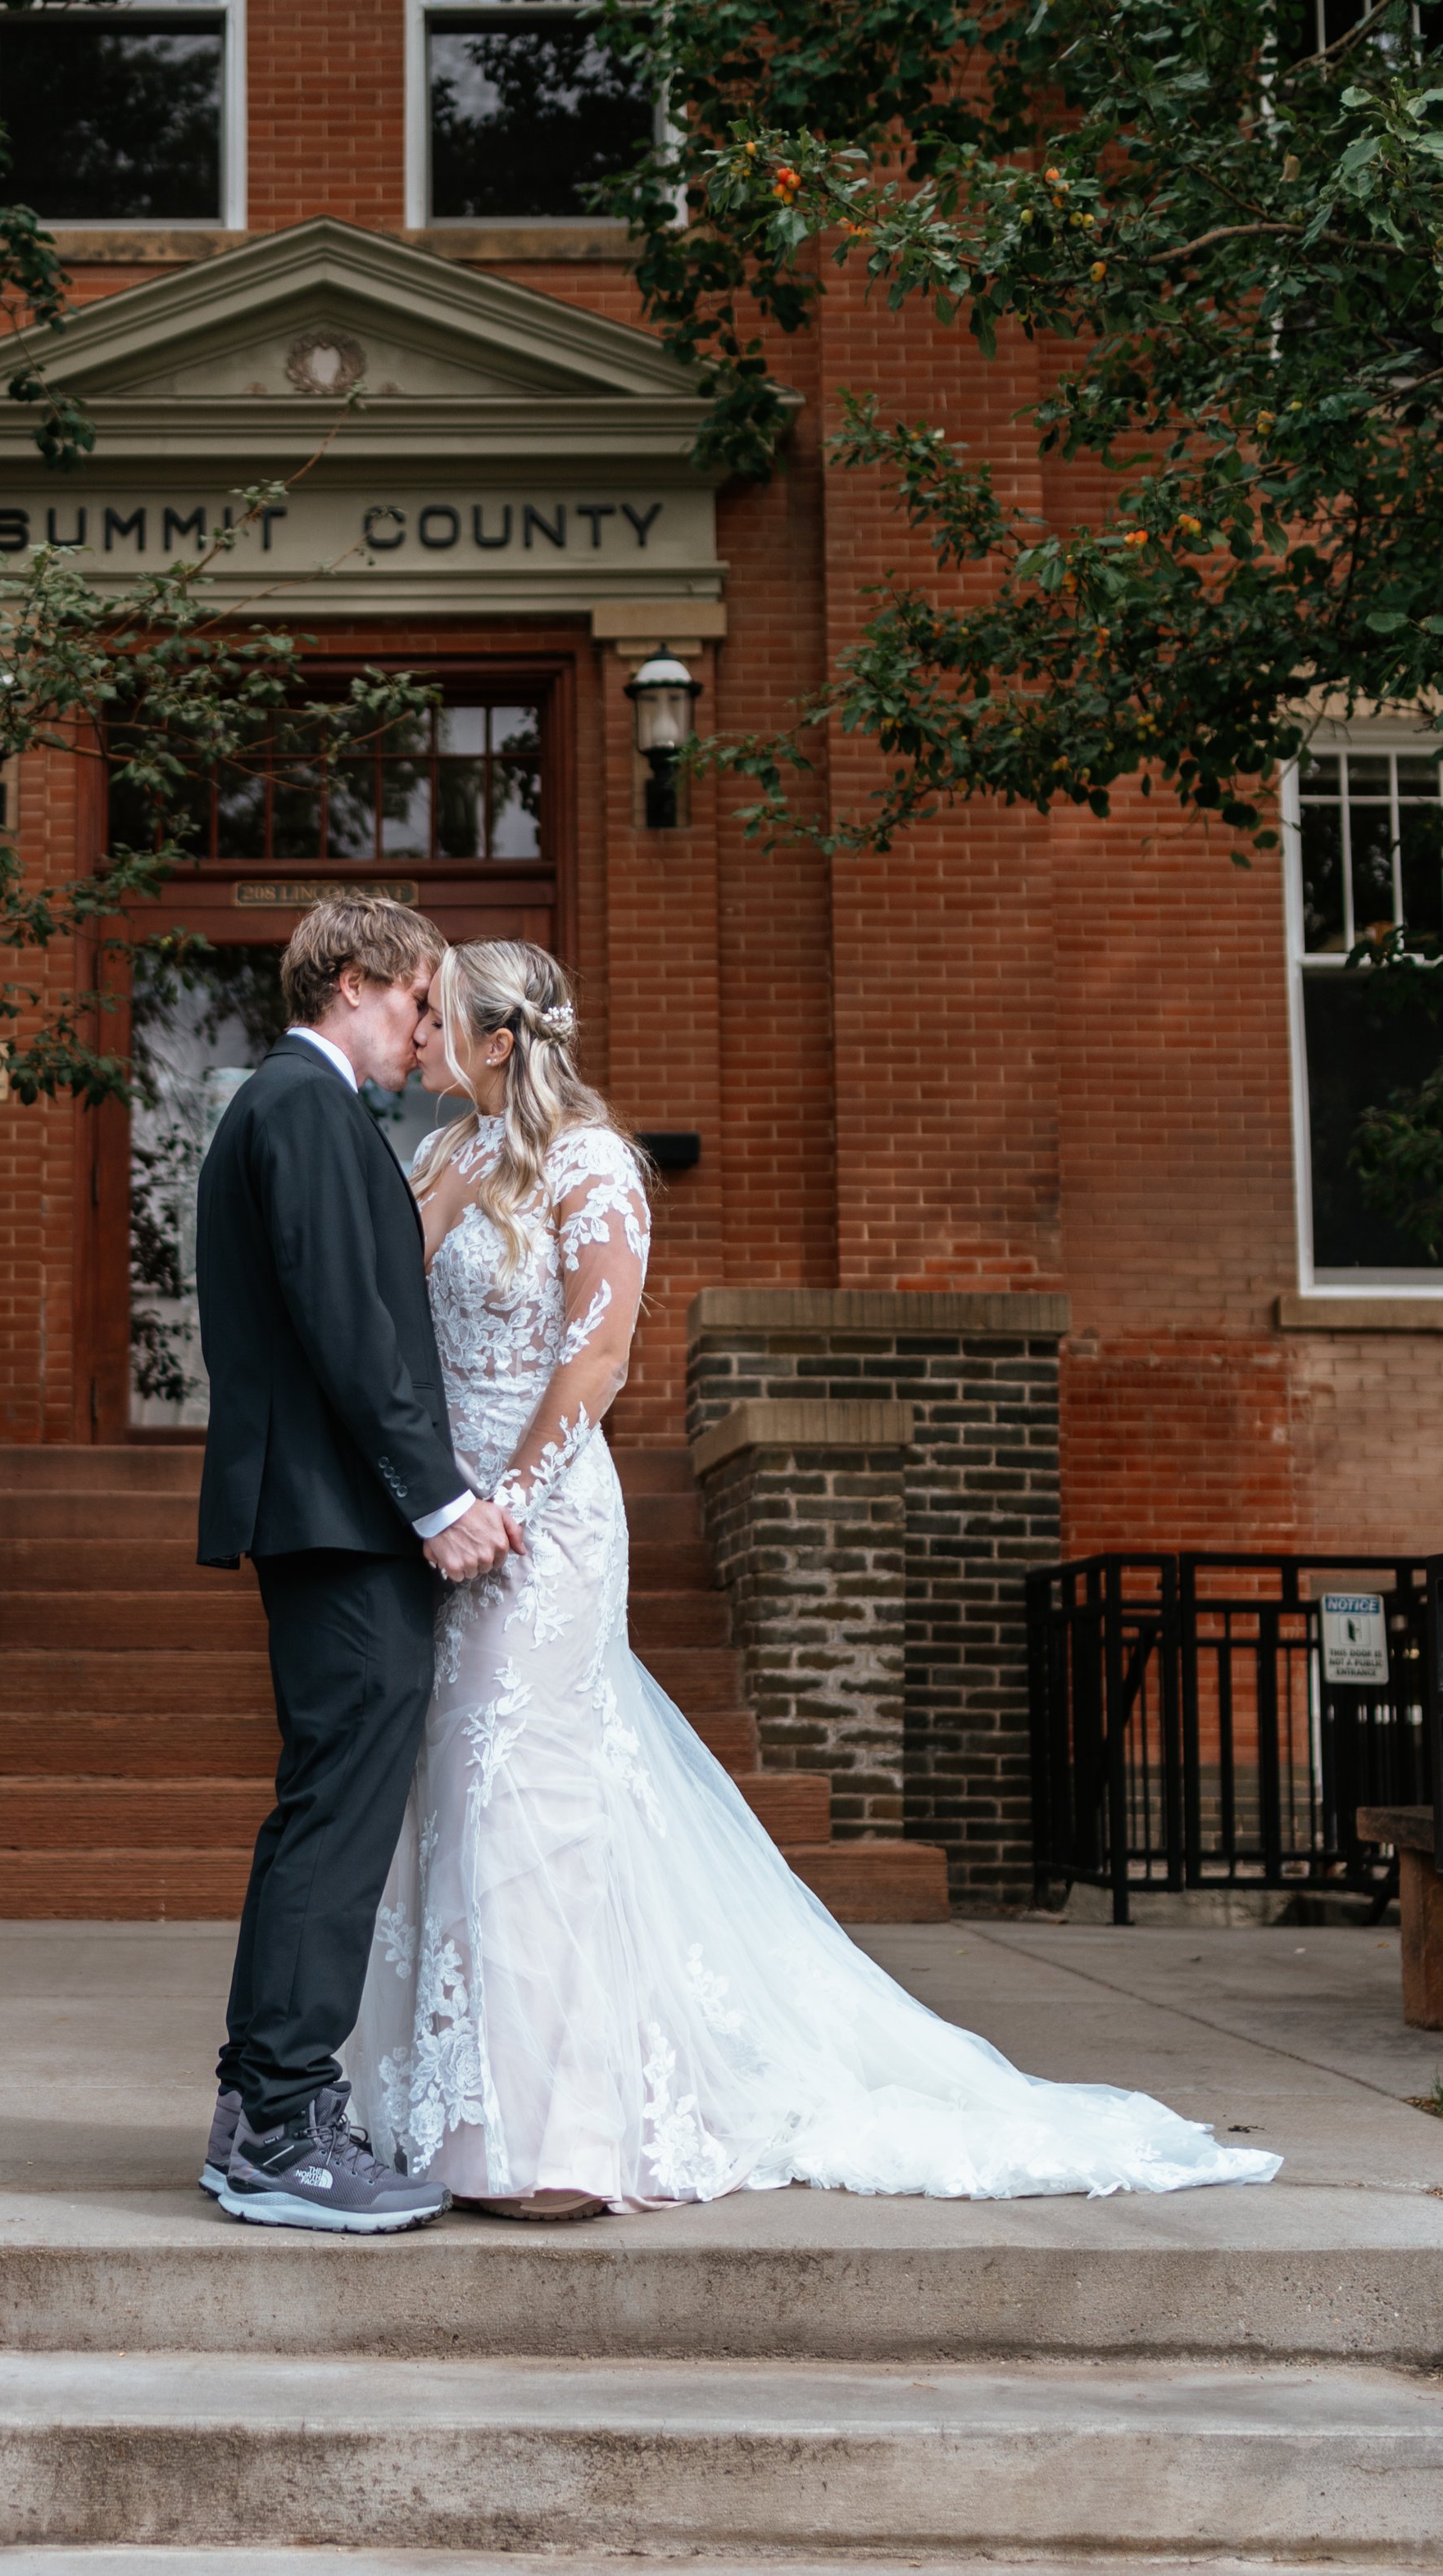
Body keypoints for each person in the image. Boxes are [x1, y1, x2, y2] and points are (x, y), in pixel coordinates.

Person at [345, 938, 1284, 2212]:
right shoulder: (437, 1158)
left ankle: (556, 2137)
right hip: (447, 1528)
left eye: (441, 1012)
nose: (419, 1030)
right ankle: (457, 2108)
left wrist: (509, 1494)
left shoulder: (592, 1162)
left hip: (545, 1522)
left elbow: (601, 1355)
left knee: (534, 1799)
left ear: (501, 1038)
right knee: (456, 1793)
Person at [193, 895, 520, 2233]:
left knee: (320, 1808)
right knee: (334, 1816)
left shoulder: (290, 1109)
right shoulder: (306, 1109)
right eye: (417, 1004)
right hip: (340, 1518)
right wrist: (437, 1497)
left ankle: (258, 2109)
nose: (425, 1032)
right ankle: (281, 2123)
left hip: (323, 1512)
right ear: (357, 980)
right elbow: (351, 1332)